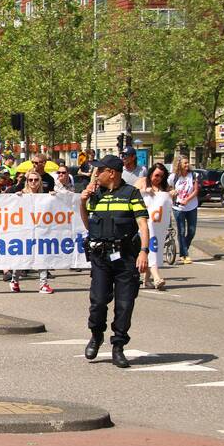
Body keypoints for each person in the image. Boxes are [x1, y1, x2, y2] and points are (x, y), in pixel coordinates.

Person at [79, 155, 150, 369]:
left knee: (124, 305)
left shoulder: (131, 194)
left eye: (99, 171)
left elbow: (143, 224)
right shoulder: (95, 195)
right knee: (98, 301)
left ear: (111, 173)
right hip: (101, 257)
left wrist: (144, 251)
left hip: (126, 257)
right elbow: (88, 225)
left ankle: (118, 346)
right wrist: (82, 202)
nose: (95, 174)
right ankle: (96, 334)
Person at [10, 171, 54, 294]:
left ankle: (43, 284)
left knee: (42, 256)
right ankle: (14, 281)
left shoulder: (44, 196)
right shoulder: (22, 194)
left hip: (40, 230)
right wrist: (16, 197)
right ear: (27, 182)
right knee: (21, 258)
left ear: (40, 181)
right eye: (30, 180)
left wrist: (54, 197)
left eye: (36, 180)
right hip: (24, 231)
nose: (33, 182)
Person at [137, 163, 171, 291]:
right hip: (143, 223)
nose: (158, 179)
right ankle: (157, 278)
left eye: (161, 176)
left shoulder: (163, 187)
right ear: (151, 173)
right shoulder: (142, 181)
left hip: (157, 224)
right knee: (150, 248)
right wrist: (144, 191)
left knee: (154, 249)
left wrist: (172, 193)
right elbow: (131, 193)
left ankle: (146, 279)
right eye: (156, 175)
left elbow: (169, 196)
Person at [168, 155, 199, 264]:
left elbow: (195, 191)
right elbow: (168, 188)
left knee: (191, 231)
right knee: (181, 231)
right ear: (179, 164)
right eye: (185, 163)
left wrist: (187, 200)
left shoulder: (193, 175)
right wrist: (171, 192)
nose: (187, 165)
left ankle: (182, 250)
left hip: (191, 206)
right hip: (178, 207)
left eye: (188, 163)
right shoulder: (173, 177)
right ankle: (185, 255)